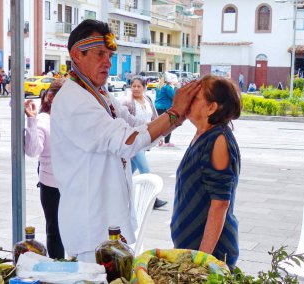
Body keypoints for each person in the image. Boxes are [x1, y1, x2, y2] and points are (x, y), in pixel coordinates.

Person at [50, 19, 200, 262]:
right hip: (91, 226)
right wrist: (174, 113)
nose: (107, 62)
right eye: (100, 54)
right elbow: (127, 141)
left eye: (109, 55)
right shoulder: (74, 100)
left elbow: (137, 130)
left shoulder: (99, 93)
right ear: (77, 54)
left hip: (107, 220)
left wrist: (177, 117)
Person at [171, 75, 241, 270]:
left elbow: (220, 204)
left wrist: (201, 260)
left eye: (195, 97)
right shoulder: (202, 134)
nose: (187, 101)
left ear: (211, 108)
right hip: (191, 247)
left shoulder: (218, 139)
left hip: (209, 253)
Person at [24, 78, 66, 259]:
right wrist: (31, 121)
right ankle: (58, 269)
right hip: (52, 186)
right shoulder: (42, 120)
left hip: (76, 183)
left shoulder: (74, 119)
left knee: (77, 230)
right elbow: (33, 151)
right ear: (50, 97)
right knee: (55, 231)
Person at [123, 76, 167, 209]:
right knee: (145, 170)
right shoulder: (127, 102)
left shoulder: (147, 100)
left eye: (139, 86)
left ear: (144, 87)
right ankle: (152, 200)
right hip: (134, 141)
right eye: (133, 86)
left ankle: (118, 194)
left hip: (146, 140)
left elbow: (155, 118)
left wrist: (160, 135)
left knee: (128, 172)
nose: (136, 88)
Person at [154, 73, 178, 147]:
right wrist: (175, 87)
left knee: (160, 125)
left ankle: (158, 141)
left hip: (158, 107)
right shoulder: (168, 87)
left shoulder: (158, 86)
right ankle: (167, 142)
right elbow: (174, 96)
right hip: (167, 108)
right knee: (170, 125)